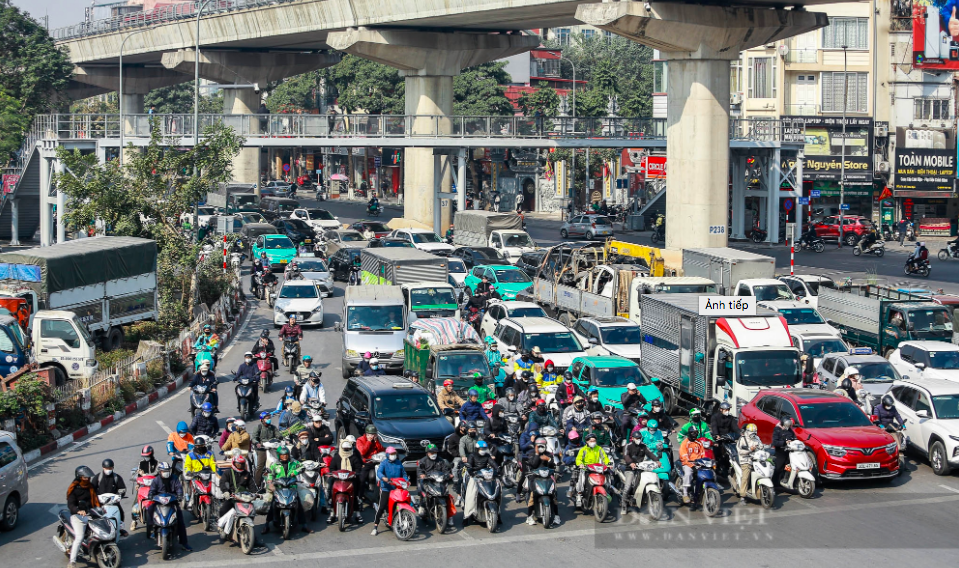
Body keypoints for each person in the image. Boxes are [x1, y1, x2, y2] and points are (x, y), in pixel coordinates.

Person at [264, 446, 310, 534]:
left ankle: (304, 525)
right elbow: (270, 474)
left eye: (286, 455)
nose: (284, 457)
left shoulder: (293, 462)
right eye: (282, 455)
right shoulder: (274, 464)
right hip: (279, 488)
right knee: (273, 504)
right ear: (279, 456)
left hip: (292, 486)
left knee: (298, 503)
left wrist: (295, 472)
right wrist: (270, 481)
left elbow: (302, 467)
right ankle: (266, 525)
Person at [146, 462, 191, 551]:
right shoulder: (156, 480)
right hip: (159, 502)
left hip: (172, 502)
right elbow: (152, 490)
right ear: (160, 471)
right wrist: (151, 495)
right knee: (150, 509)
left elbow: (179, 489)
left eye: (167, 471)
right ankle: (151, 529)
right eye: (164, 471)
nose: (166, 473)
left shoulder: (174, 478)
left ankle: (184, 543)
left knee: (180, 520)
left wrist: (179, 495)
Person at [217, 456, 261, 544]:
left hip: (244, 498)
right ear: (234, 463)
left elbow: (252, 486)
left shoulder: (247, 474)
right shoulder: (228, 473)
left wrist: (256, 493)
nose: (240, 466)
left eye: (242, 464)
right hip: (232, 497)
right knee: (223, 509)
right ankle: (223, 529)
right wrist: (226, 492)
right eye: (238, 464)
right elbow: (222, 483)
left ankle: (252, 536)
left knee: (251, 512)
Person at [522, 438, 559, 526]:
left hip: (547, 477)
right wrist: (537, 454)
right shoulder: (531, 454)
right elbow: (533, 464)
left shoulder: (549, 454)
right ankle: (529, 517)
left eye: (542, 446)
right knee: (532, 496)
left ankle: (557, 516)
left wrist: (548, 460)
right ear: (535, 446)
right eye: (539, 446)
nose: (541, 448)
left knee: (554, 495)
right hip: (535, 477)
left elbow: (553, 466)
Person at [370, 446, 407, 535]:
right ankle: (375, 526)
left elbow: (404, 474)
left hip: (397, 487)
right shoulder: (384, 463)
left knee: (403, 503)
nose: (393, 456)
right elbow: (379, 472)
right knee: (382, 506)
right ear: (387, 454)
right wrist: (384, 478)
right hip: (386, 488)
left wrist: (406, 481)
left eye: (394, 454)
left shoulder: (399, 463)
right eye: (391, 454)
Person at [416, 443, 454, 528]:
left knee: (447, 496)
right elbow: (419, 470)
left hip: (439, 482)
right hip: (427, 482)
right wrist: (422, 475)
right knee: (424, 494)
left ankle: (449, 516)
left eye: (435, 452)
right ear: (427, 453)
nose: (434, 454)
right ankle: (422, 506)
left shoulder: (440, 460)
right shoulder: (423, 461)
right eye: (432, 453)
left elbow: (445, 470)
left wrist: (448, 475)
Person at [327, 439, 364, 524]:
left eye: (348, 449)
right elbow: (332, 468)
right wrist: (334, 474)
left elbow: (358, 468)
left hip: (350, 479)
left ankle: (358, 513)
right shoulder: (337, 457)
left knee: (354, 494)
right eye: (344, 449)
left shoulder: (354, 457)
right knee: (331, 488)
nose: (346, 450)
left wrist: (355, 474)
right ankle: (332, 513)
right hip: (338, 479)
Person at [463, 440, 499, 525]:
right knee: (471, 495)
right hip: (475, 476)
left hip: (485, 476)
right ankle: (466, 516)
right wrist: (471, 471)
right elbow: (469, 466)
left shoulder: (487, 455)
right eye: (481, 448)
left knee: (498, 490)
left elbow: (493, 463)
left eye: (484, 448)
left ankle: (499, 514)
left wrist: (498, 469)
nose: (483, 450)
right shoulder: (472, 455)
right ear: (477, 449)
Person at [91, 459, 129, 537]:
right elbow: (91, 489)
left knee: (120, 512)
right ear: (103, 468)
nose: (108, 470)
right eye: (106, 468)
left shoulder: (117, 477)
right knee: (94, 515)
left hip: (113, 501)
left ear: (112, 468)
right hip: (100, 502)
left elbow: (122, 489)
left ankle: (120, 528)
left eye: (110, 468)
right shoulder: (97, 477)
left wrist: (119, 496)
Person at [622, 430, 659, 507]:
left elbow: (650, 453)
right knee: (628, 486)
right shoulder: (628, 446)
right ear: (633, 438)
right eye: (637, 438)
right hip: (630, 468)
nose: (638, 439)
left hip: (641, 467)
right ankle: (623, 504)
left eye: (639, 438)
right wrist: (631, 463)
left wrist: (657, 460)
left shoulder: (643, 446)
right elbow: (626, 455)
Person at [572, 433, 611, 507]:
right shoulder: (583, 450)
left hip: (596, 468)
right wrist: (580, 464)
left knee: (607, 479)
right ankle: (579, 496)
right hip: (586, 469)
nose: (593, 442)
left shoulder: (599, 449)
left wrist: (609, 464)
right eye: (591, 441)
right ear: (587, 441)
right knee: (582, 480)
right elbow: (578, 459)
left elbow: (605, 458)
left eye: (594, 440)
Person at [356, 425, 385, 503]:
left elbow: (382, 450)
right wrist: (369, 442)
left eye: (374, 434)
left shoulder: (377, 440)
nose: (372, 436)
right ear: (367, 434)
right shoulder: (360, 440)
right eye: (371, 435)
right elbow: (362, 452)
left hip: (376, 462)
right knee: (361, 479)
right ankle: (360, 497)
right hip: (365, 462)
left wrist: (376, 442)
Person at [679, 427, 706, 504]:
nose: (695, 434)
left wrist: (704, 462)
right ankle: (685, 494)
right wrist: (691, 466)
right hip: (687, 463)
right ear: (689, 433)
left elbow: (703, 454)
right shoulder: (685, 443)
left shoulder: (699, 443)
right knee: (688, 474)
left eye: (696, 432)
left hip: (698, 463)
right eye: (693, 432)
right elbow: (684, 457)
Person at [736, 423, 762, 504]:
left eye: (755, 432)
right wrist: (750, 449)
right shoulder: (742, 439)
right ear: (747, 432)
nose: (753, 434)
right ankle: (743, 496)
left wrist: (761, 447)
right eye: (752, 432)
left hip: (757, 459)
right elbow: (740, 451)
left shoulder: (757, 438)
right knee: (746, 477)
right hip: (745, 460)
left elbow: (761, 446)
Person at [252, 412, 279, 486]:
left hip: (272, 448)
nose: (268, 419)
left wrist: (280, 438)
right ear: (262, 420)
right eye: (266, 418)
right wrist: (257, 443)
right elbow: (253, 438)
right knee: (260, 466)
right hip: (262, 449)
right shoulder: (258, 427)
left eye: (269, 418)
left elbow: (278, 435)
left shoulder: (273, 428)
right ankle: (256, 485)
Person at [771, 416, 797, 491]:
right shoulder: (777, 430)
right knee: (779, 467)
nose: (787, 427)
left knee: (791, 466)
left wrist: (794, 442)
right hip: (781, 451)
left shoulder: (789, 430)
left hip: (790, 451)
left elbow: (794, 438)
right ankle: (775, 484)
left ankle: (788, 481)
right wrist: (784, 442)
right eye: (786, 425)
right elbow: (775, 442)